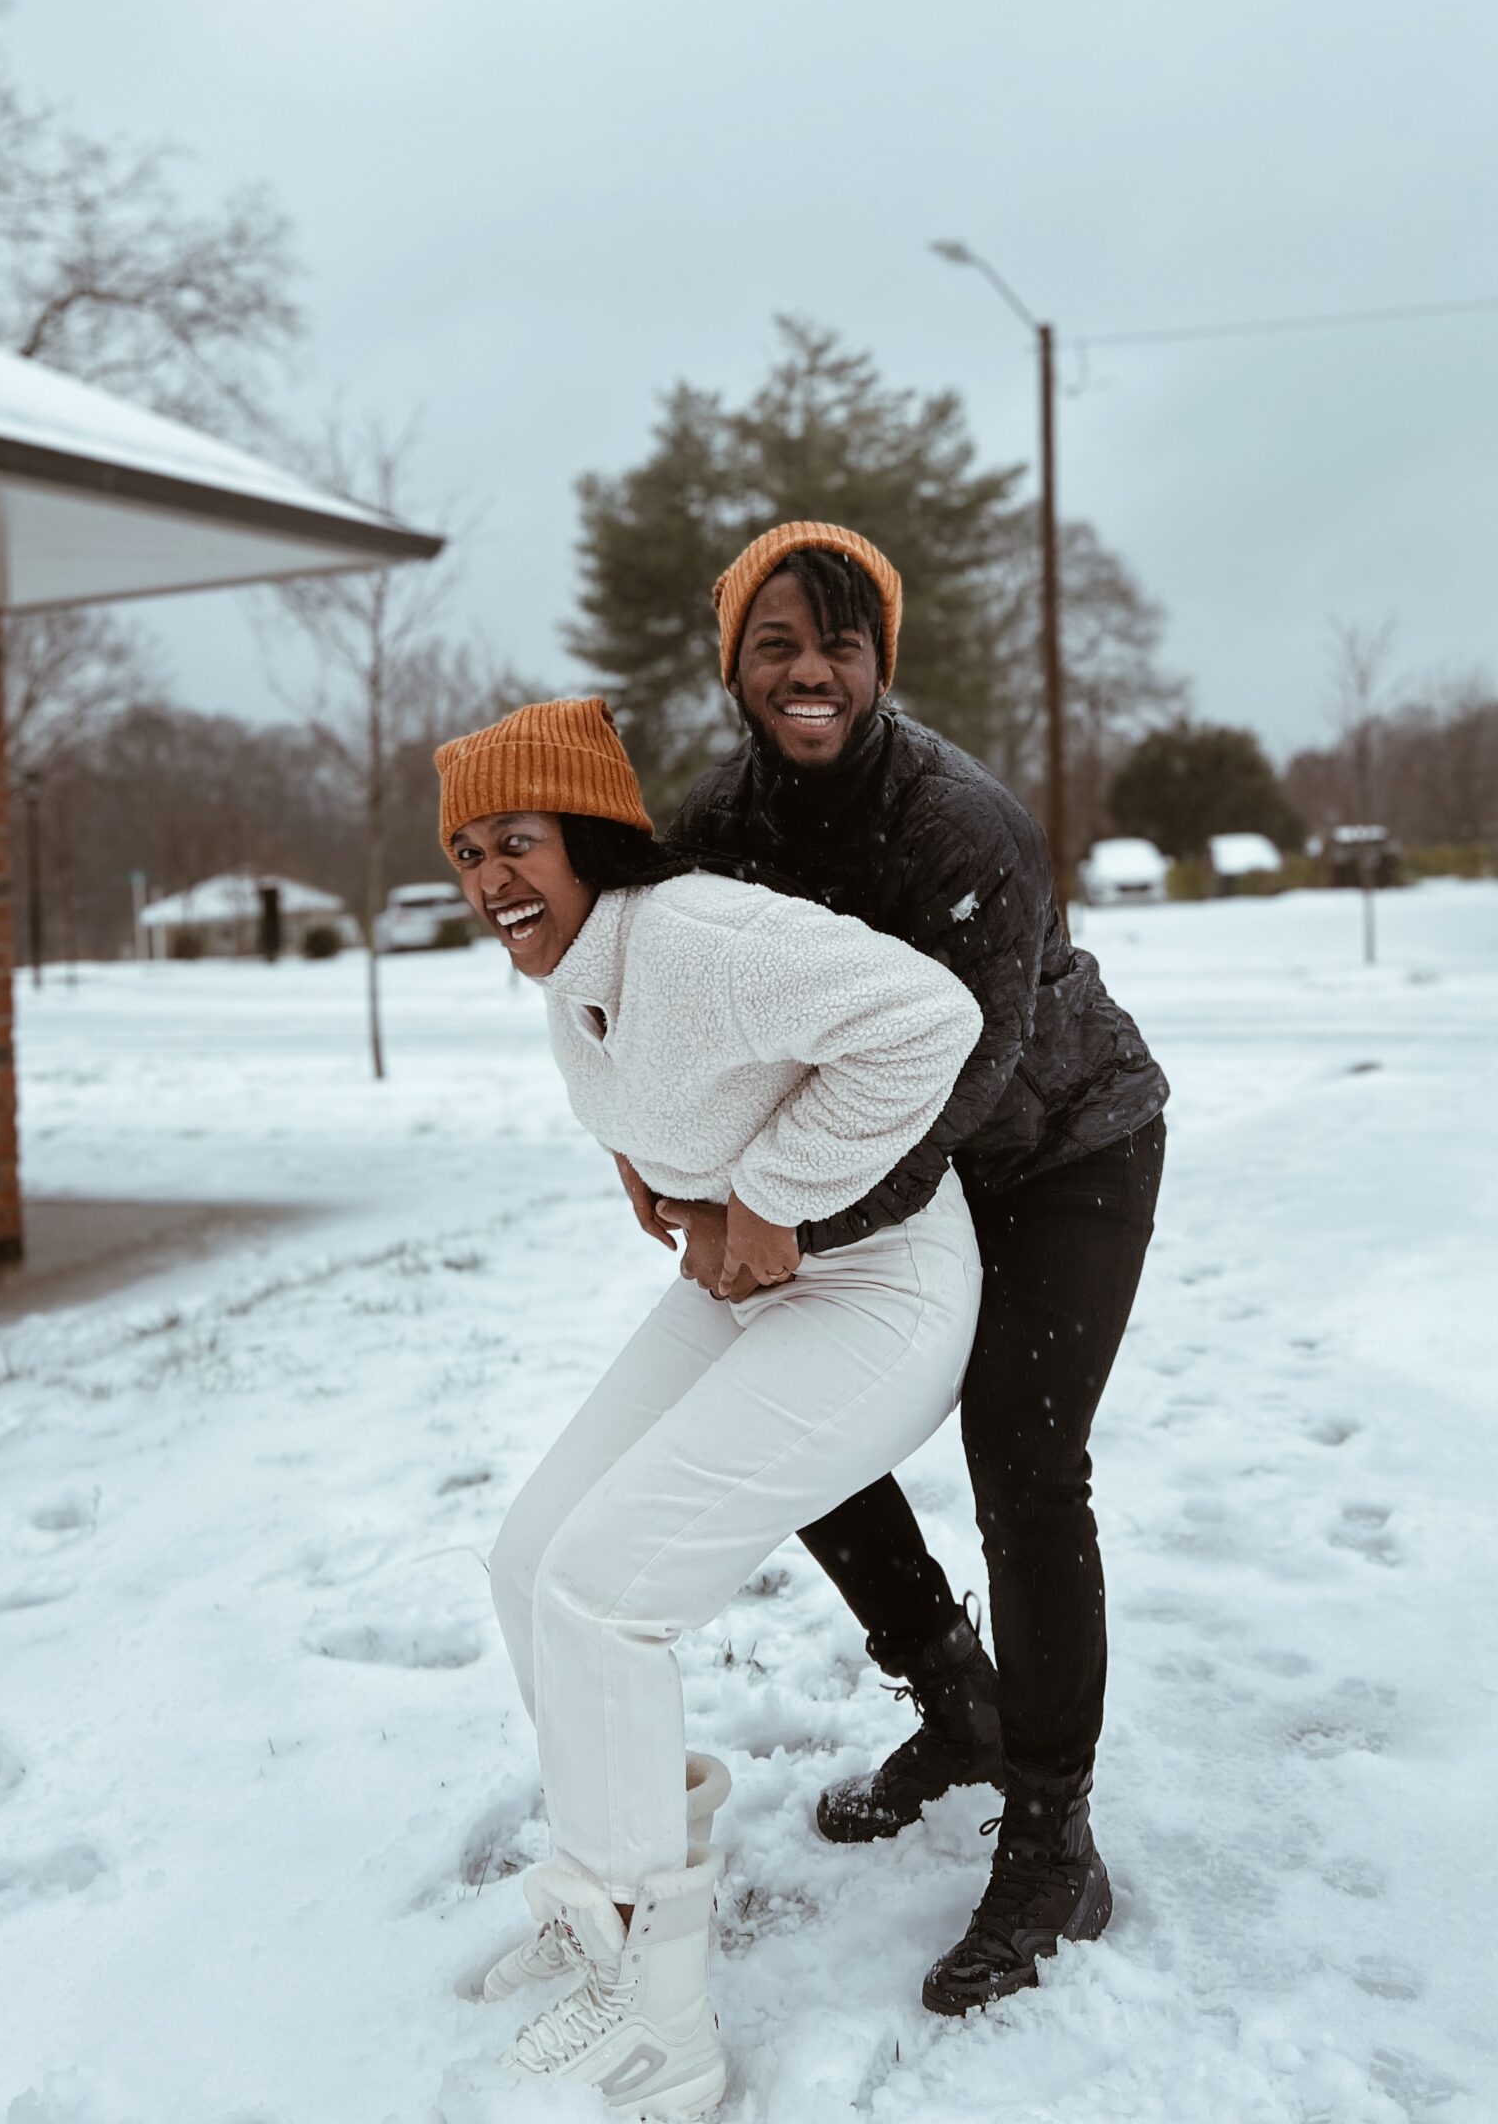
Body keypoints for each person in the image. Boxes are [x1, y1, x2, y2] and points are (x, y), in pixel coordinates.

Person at [620, 522, 1168, 2015]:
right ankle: (957, 1696)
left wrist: (782, 1219)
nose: (812, 673)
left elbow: (970, 1078)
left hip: (1061, 1152)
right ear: (732, 662)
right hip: (885, 1179)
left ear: (883, 663)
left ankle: (1054, 1835)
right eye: (778, 643)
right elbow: (659, 1004)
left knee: (1026, 1457)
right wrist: (652, 1152)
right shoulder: (719, 822)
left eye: (841, 644)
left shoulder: (964, 826)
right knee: (788, 1403)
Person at [437, 694, 984, 2115]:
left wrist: (768, 1194)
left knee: (608, 1593)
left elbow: (933, 1017)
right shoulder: (579, 973)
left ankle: (663, 2016)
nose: (491, 880)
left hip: (885, 1293)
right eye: (465, 854)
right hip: (755, 1286)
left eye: (516, 840)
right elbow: (652, 1095)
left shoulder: (697, 937)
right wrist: (652, 1173)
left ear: (591, 835)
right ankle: (613, 1893)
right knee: (530, 1564)